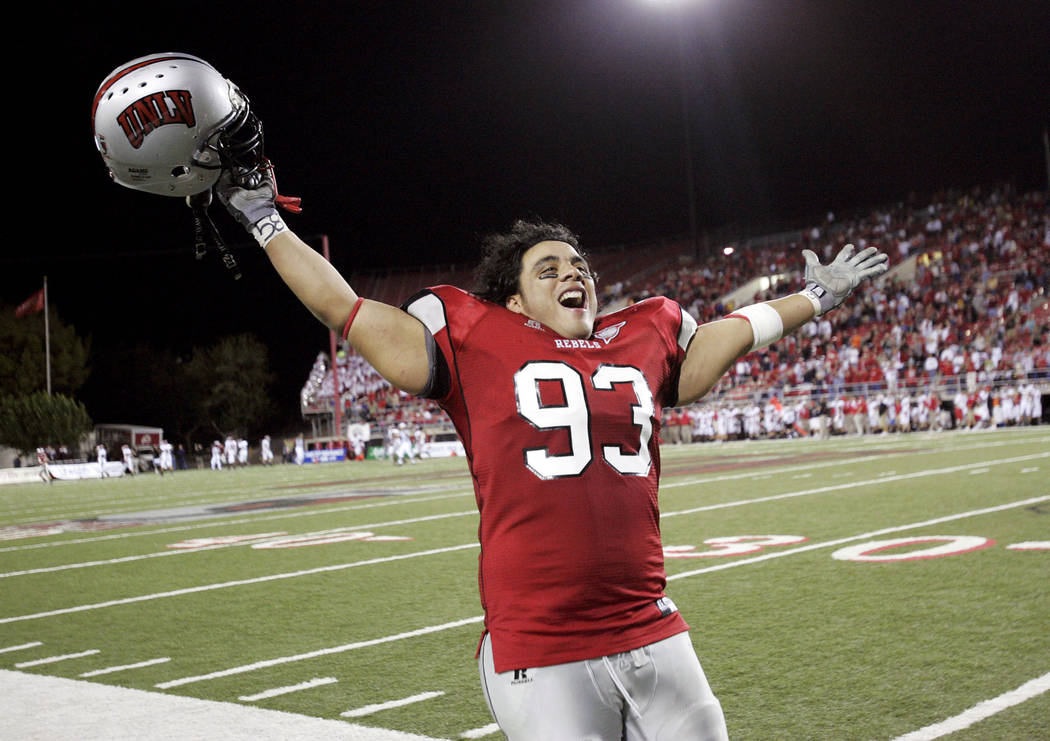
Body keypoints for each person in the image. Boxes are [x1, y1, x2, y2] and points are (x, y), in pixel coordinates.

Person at [211, 161, 887, 738]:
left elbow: (725, 335)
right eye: (550, 267)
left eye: (581, 265)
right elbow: (345, 308)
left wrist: (814, 297)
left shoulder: (643, 331)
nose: (576, 273)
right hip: (541, 641)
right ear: (512, 298)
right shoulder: (475, 335)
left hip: (650, 623)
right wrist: (265, 220)